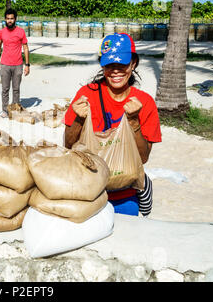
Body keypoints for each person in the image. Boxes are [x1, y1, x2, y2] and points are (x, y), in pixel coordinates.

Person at [63, 33, 162, 217]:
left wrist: (133, 121)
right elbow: (68, 145)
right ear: (102, 65)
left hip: (124, 192)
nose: (115, 71)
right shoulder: (86, 95)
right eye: (109, 65)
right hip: (89, 189)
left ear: (133, 64)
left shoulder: (145, 102)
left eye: (122, 64)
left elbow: (143, 157)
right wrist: (78, 120)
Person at [0, 8, 30, 118]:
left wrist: (27, 65)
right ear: (5, 19)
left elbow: (25, 47)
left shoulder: (21, 32)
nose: (9, 20)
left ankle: (15, 109)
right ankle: (5, 110)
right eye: (8, 18)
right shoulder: (2, 32)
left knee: (16, 89)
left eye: (12, 18)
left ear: (15, 19)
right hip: (4, 65)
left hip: (18, 65)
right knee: (5, 89)